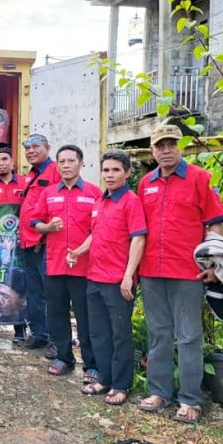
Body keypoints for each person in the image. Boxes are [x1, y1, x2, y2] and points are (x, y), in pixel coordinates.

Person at [136, 124, 223, 424]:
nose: (166, 151)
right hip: (151, 270)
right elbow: (139, 231)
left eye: (171, 145)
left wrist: (214, 263)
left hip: (188, 271)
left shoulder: (200, 179)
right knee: (159, 333)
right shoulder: (145, 183)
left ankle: (190, 399)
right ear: (152, 150)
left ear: (180, 147)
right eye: (160, 146)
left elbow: (215, 224)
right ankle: (159, 391)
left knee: (188, 336)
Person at [67, 150, 147, 406]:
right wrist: (78, 251)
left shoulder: (131, 201)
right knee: (98, 333)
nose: (109, 175)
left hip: (117, 282)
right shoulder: (101, 201)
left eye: (115, 170)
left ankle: (121, 385)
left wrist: (128, 276)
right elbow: (96, 234)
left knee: (120, 335)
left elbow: (138, 238)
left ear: (127, 173)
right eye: (106, 170)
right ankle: (104, 379)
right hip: (94, 277)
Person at [31, 144, 101, 380]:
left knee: (86, 316)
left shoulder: (94, 193)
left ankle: (91, 364)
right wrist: (47, 227)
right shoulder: (49, 193)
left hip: (85, 267)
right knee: (57, 314)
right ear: (57, 165)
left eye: (71, 161)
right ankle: (64, 358)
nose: (66, 165)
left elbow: (100, 228)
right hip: (55, 264)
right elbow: (35, 222)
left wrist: (82, 250)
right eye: (62, 161)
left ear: (81, 164)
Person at [17, 133, 60, 348]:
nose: (31, 151)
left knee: (52, 295)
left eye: (36, 146)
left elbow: (59, 204)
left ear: (48, 148)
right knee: (34, 293)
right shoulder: (30, 174)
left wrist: (45, 234)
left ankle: (57, 340)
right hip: (28, 243)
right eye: (28, 148)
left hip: (45, 243)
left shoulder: (55, 171)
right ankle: (39, 335)